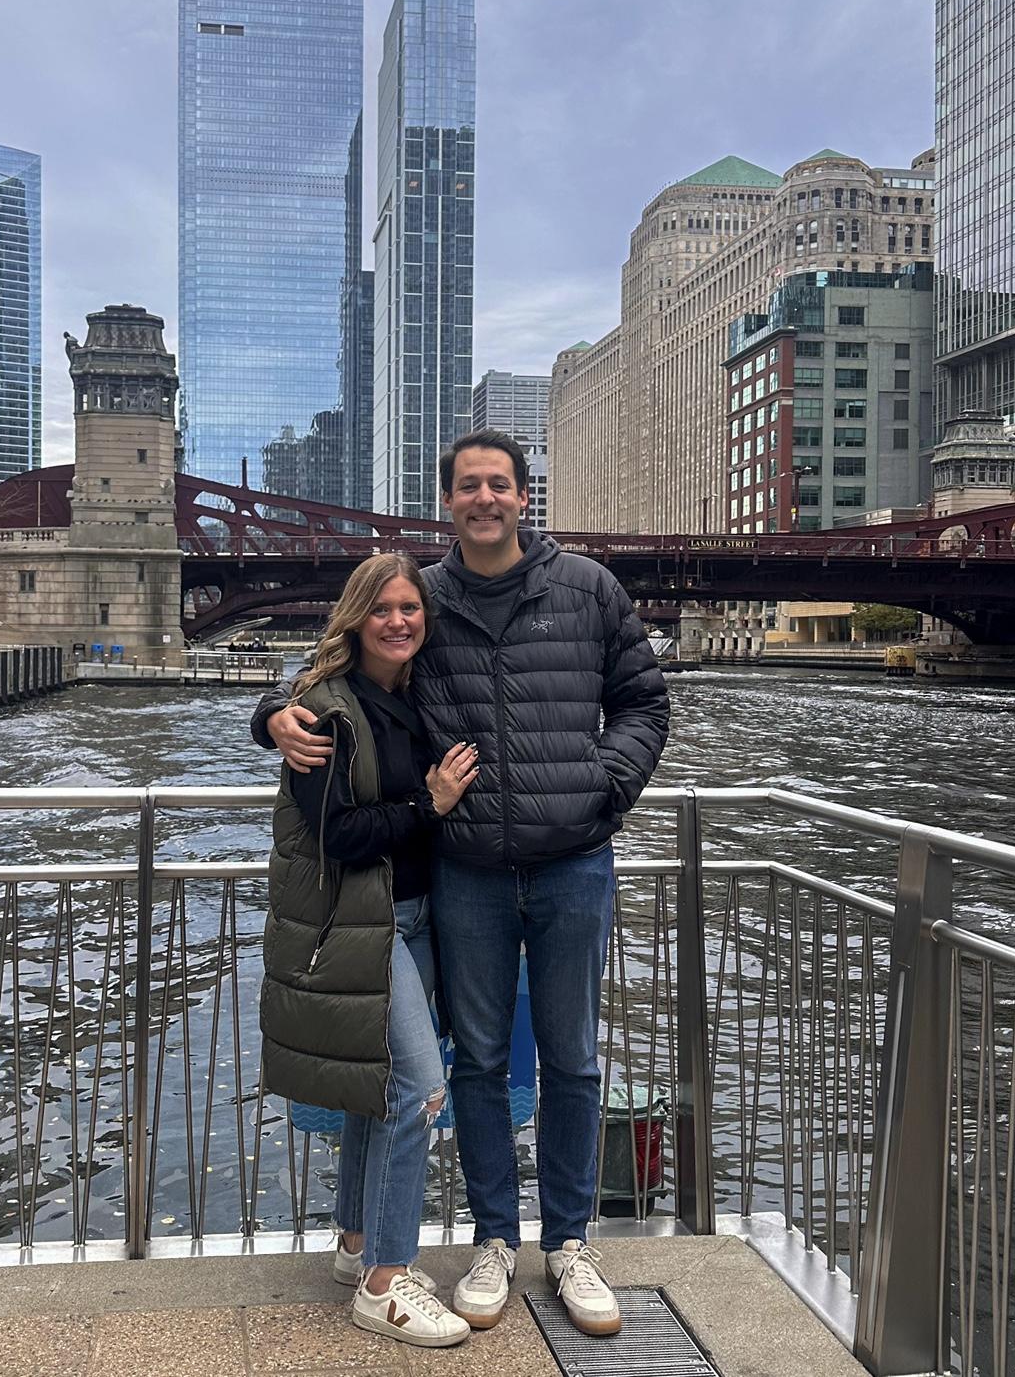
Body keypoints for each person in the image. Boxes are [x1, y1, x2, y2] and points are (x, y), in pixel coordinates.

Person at [256, 429, 670, 1337]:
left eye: (500, 484)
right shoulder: (427, 599)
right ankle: (494, 1240)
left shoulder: (587, 588)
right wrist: (272, 713)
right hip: (467, 872)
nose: (485, 498)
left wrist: (604, 787)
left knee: (573, 1059)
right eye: (469, 486)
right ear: (448, 501)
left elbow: (644, 701)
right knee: (475, 1063)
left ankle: (570, 1243)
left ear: (524, 496)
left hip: (572, 862)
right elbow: (342, 670)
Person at [259, 552, 479, 1350]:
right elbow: (339, 836)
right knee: (419, 1092)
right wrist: (430, 804)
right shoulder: (326, 712)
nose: (397, 621)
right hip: (366, 923)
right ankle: (386, 1284)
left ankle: (357, 1243)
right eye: (381, 608)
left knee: (376, 1091)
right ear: (354, 618)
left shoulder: (414, 694)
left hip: (414, 916)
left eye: (409, 608)